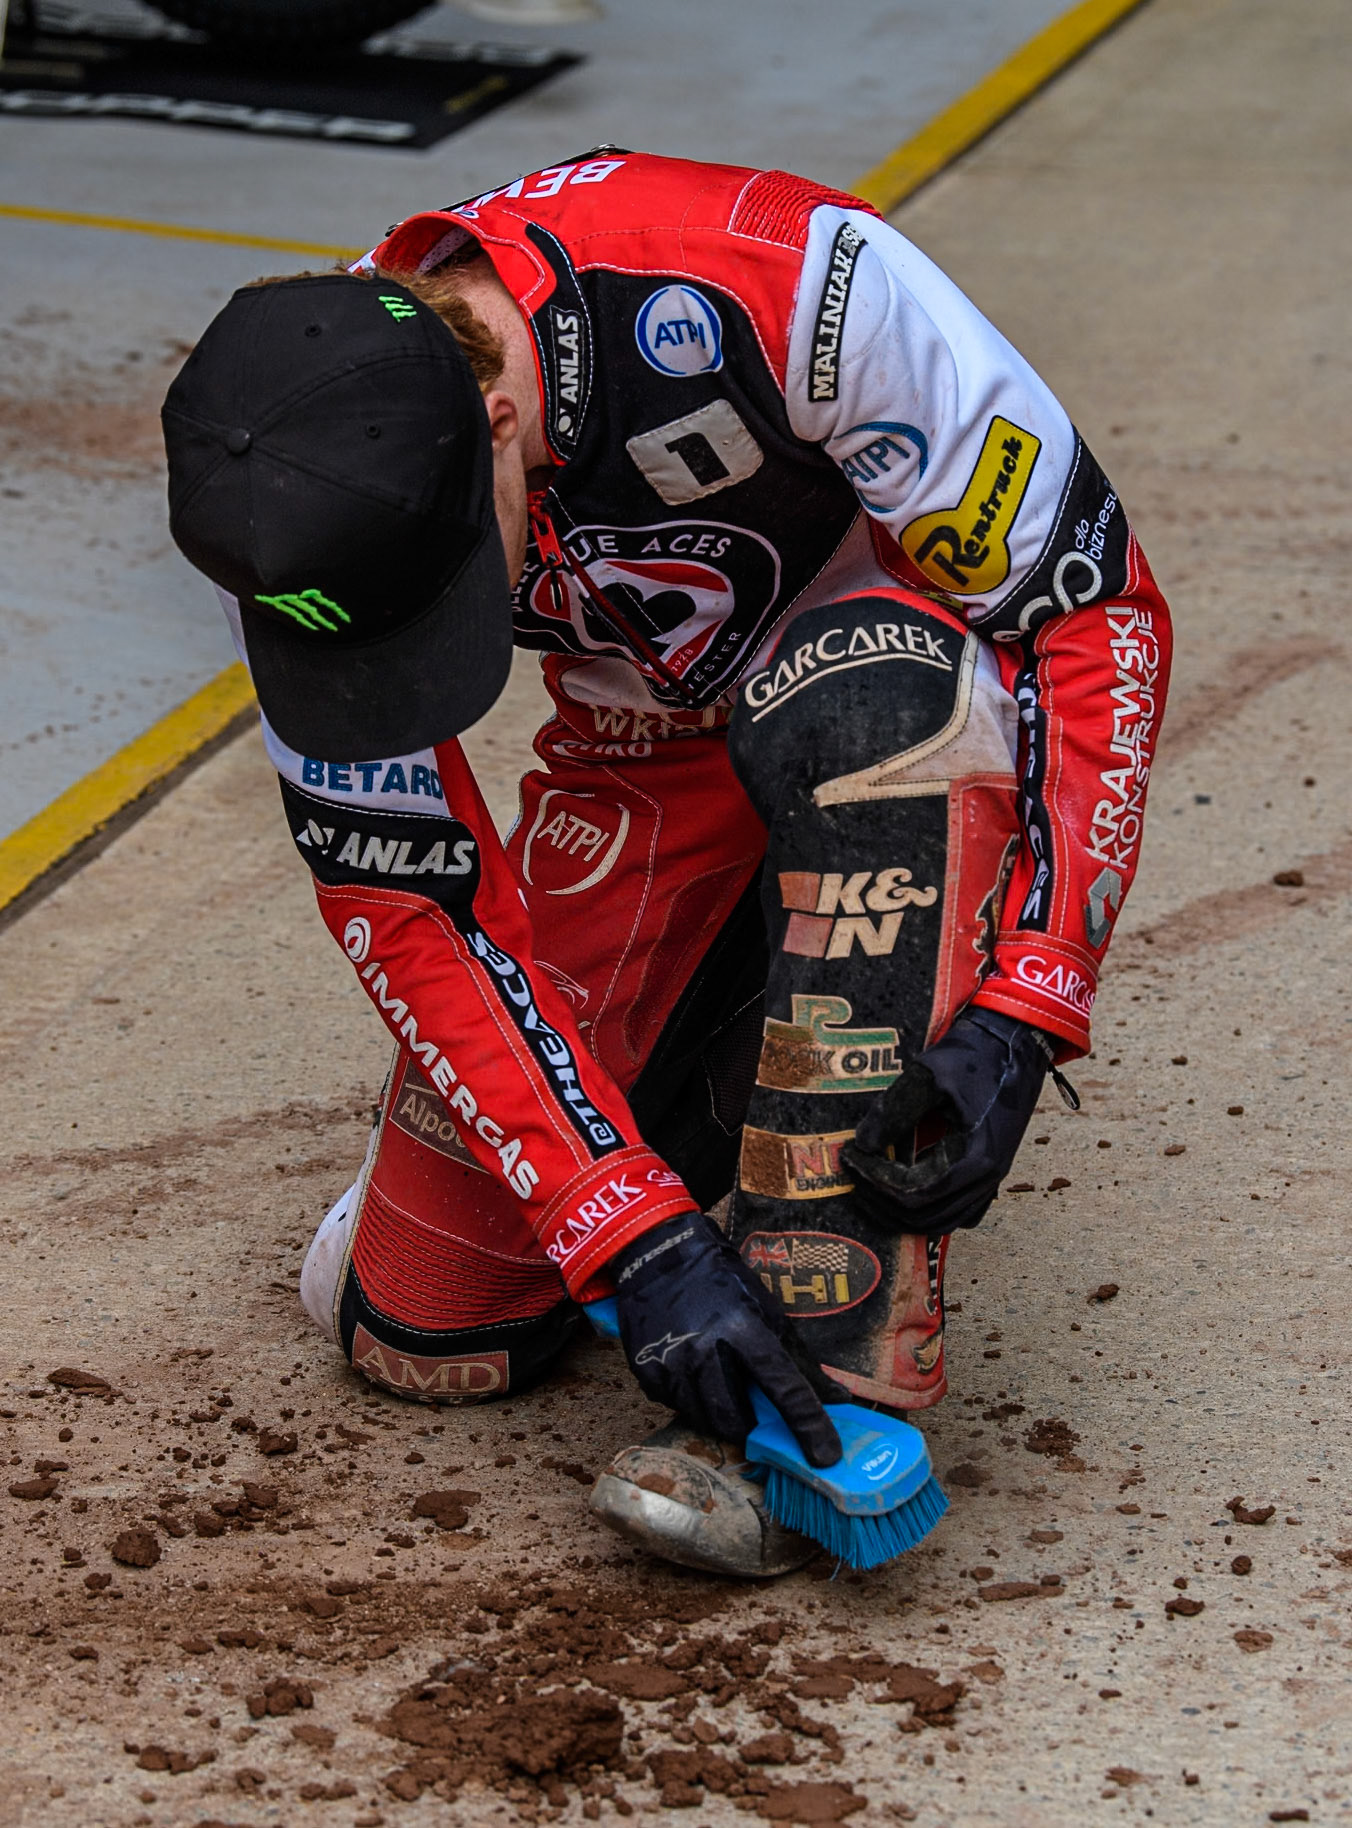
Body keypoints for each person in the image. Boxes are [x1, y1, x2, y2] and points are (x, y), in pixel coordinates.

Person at [163, 147, 1170, 1578]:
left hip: (885, 703)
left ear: (499, 415)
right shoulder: (287, 482)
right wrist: (619, 1230)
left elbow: (1094, 618)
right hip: (648, 768)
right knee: (419, 1321)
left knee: (872, 702)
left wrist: (1032, 999)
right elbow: (405, 901)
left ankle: (832, 1362)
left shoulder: (789, 284)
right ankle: (753, 1085)